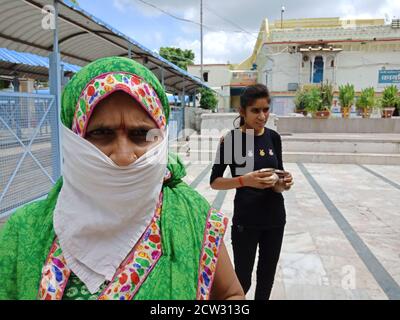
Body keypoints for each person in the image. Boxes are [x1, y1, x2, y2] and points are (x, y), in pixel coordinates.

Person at [0, 57, 244, 300]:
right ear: (73, 138)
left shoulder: (194, 217)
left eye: (141, 134)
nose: (124, 156)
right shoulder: (23, 230)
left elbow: (231, 295)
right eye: (101, 133)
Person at [210, 84, 294, 300]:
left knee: (267, 278)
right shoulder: (233, 140)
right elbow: (215, 182)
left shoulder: (274, 138)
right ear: (242, 112)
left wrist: (283, 182)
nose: (262, 116)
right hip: (246, 221)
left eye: (266, 109)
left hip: (275, 219)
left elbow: (279, 173)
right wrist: (243, 180)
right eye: (256, 111)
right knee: (242, 280)